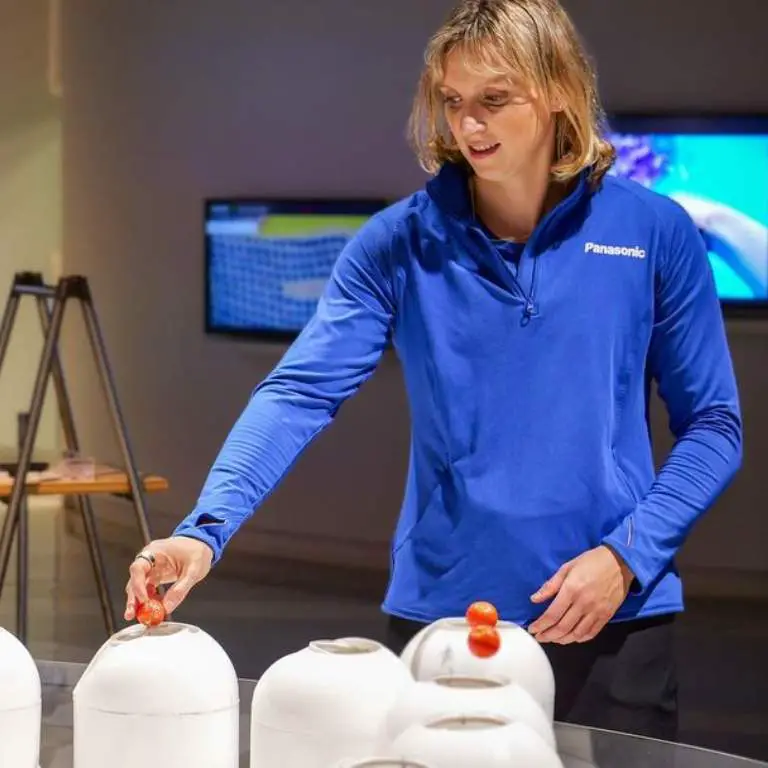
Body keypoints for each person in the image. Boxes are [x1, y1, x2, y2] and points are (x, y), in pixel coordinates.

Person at [124, 0, 742, 743]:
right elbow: (299, 393)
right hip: (441, 618)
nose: (468, 126)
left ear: (558, 93)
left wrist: (626, 556)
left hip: (614, 615)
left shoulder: (654, 232)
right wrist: (204, 529)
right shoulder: (396, 244)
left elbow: (714, 426)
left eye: (493, 100)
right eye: (452, 102)